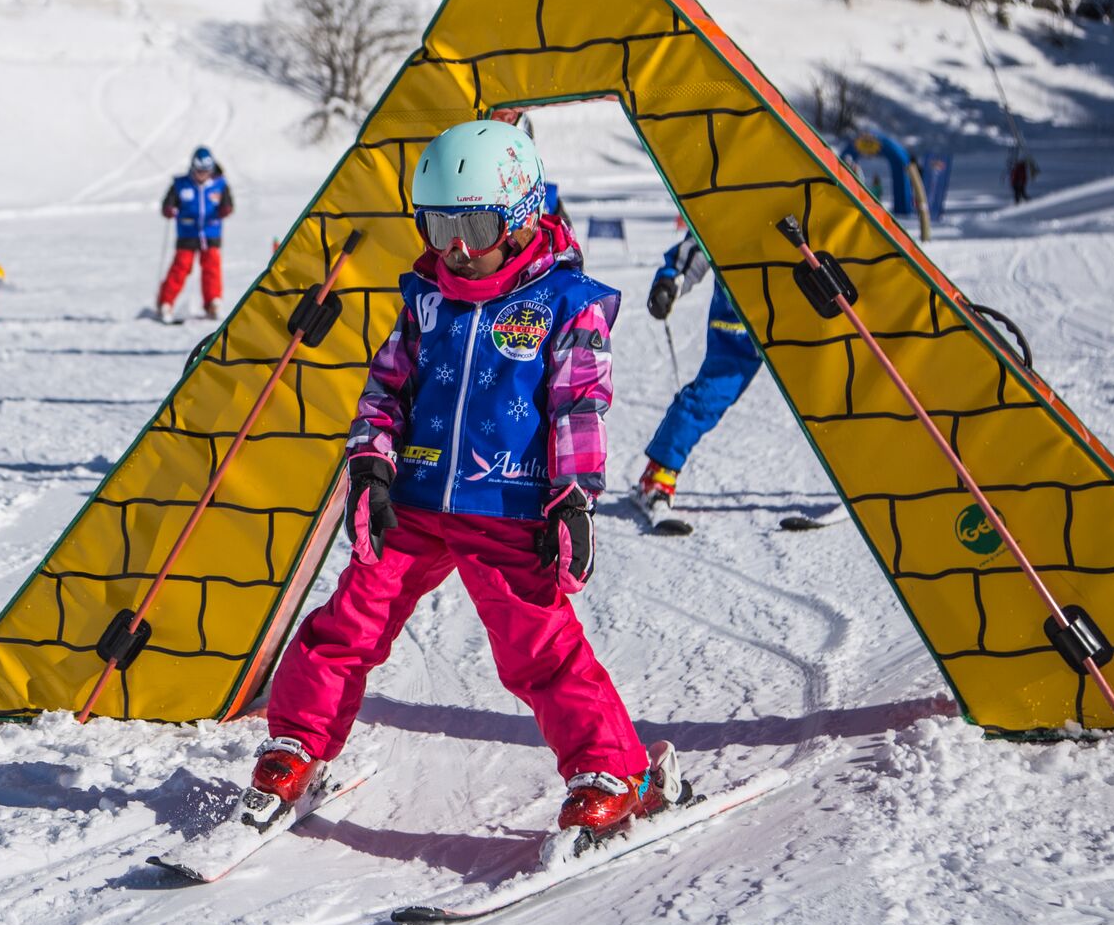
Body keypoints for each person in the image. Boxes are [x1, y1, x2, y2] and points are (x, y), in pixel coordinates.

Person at [238, 120, 676, 841]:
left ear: (524, 215)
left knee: (539, 648)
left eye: (474, 223)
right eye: (439, 225)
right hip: (413, 502)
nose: (458, 248)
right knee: (349, 623)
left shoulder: (567, 303)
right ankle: (296, 743)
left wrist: (572, 500)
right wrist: (372, 461)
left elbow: (581, 405)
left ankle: (611, 770)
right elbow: (384, 390)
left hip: (508, 507)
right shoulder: (425, 300)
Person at [624, 229, 763, 532]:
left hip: (811, 310)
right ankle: (658, 475)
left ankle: (859, 482)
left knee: (836, 396)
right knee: (708, 397)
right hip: (742, 318)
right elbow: (700, 238)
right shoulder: (736, 188)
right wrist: (671, 281)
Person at [157, 147, 233, 322]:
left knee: (212, 267)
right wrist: (169, 209)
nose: (202, 175)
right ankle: (165, 302)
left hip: (211, 232)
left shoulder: (220, 185)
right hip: (187, 233)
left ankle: (213, 302)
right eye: (198, 171)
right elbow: (167, 204)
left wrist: (225, 209)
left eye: (206, 171)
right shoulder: (181, 184)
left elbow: (228, 204)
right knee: (181, 267)